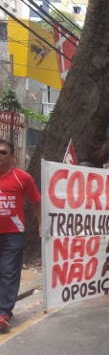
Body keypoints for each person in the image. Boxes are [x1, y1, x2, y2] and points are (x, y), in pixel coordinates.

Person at [0, 139, 41, 332]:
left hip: (13, 234)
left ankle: (3, 313)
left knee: (9, 272)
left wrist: (42, 224)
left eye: (3, 152)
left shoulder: (22, 178)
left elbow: (37, 202)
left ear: (12, 156)